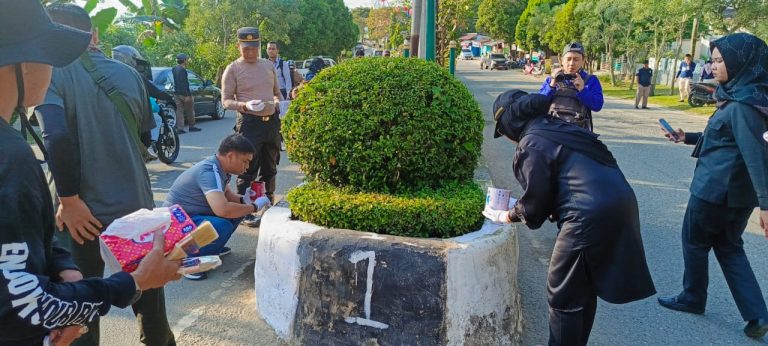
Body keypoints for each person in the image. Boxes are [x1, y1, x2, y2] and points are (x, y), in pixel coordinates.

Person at [0, 1, 180, 345]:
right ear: (22, 63)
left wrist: (68, 202)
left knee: (81, 305)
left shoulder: (15, 147)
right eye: (48, 52)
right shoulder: (128, 74)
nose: (53, 65)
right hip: (136, 206)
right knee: (149, 294)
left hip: (82, 213)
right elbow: (145, 137)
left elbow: (56, 134)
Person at [486, 89, 655, 346]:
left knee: (563, 295)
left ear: (510, 121)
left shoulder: (532, 141)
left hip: (586, 216)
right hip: (619, 205)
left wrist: (506, 214)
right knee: (582, 291)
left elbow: (535, 206)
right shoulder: (560, 127)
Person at [657, 33, 768, 339]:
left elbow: (755, 155)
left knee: (694, 240)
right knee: (729, 247)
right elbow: (726, 138)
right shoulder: (746, 97)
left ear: (740, 62)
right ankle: (757, 316)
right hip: (733, 195)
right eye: (713, 59)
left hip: (714, 191)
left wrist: (766, 205)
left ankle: (692, 297)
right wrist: (687, 137)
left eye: (720, 60)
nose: (713, 66)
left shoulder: (743, 106)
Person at [163, 134, 271, 280]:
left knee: (237, 212)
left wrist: (245, 199)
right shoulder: (209, 172)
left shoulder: (220, 169)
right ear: (231, 156)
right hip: (176, 225)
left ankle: (209, 249)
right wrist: (253, 206)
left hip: (189, 219)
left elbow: (228, 197)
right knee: (222, 225)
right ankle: (189, 263)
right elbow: (223, 209)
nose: (247, 167)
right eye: (244, 161)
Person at [221, 27, 283, 228]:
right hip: (249, 123)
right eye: (246, 48)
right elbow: (226, 101)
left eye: (254, 48)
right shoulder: (233, 69)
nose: (250, 52)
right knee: (246, 168)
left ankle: (267, 204)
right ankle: (244, 209)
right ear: (239, 46)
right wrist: (244, 105)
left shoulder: (268, 66)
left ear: (259, 45)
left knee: (270, 166)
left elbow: (276, 94)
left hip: (271, 123)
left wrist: (278, 104)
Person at [111, 44, 174, 155]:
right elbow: (153, 91)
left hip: (109, 114)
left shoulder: (108, 71)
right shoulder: (133, 74)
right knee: (155, 119)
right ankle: (148, 147)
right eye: (134, 59)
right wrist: (169, 97)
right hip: (130, 112)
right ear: (128, 58)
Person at [539, 42, 604, 131]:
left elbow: (597, 106)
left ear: (583, 61)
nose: (571, 63)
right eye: (568, 59)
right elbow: (539, 103)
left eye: (576, 59)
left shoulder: (591, 80)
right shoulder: (551, 79)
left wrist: (582, 90)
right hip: (552, 130)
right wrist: (552, 84)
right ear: (562, 60)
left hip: (578, 132)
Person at [172, 53, 201, 133]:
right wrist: (187, 95)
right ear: (184, 61)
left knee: (179, 111)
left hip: (176, 93)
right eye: (186, 60)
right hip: (184, 94)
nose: (187, 61)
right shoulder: (183, 70)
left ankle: (180, 128)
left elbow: (177, 82)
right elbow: (184, 83)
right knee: (190, 110)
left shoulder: (174, 69)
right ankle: (192, 126)